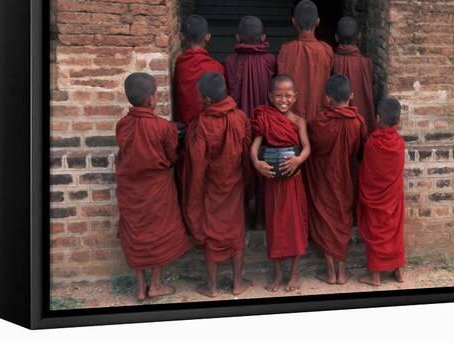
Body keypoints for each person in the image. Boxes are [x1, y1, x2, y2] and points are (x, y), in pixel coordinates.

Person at [115, 73, 191, 301]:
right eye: (156, 93)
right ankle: (156, 285)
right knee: (159, 233)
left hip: (130, 188)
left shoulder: (123, 125)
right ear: (151, 99)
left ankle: (140, 288)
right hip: (157, 188)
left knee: (136, 234)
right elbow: (171, 156)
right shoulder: (163, 127)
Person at [182, 72, 252, 297]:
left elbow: (197, 162)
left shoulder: (202, 123)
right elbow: (246, 153)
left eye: (199, 97)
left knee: (213, 232)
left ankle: (211, 287)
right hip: (235, 182)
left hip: (211, 185)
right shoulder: (240, 117)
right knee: (236, 231)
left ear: (208, 100)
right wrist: (248, 181)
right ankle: (237, 284)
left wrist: (194, 189)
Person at [304, 74, 367, 285]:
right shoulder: (358, 122)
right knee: (342, 221)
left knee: (325, 220)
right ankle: (343, 272)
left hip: (323, 178)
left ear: (327, 99)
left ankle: (331, 273)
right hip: (346, 178)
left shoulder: (318, 122)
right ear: (351, 95)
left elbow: (309, 149)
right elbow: (360, 152)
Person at [251, 75, 311, 292]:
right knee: (275, 228)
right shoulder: (266, 118)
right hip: (273, 183)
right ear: (270, 96)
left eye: (287, 95)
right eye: (278, 95)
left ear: (295, 97)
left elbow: (306, 148)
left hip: (293, 181)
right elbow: (254, 145)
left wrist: (298, 160)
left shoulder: (298, 121)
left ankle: (294, 275)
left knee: (294, 227)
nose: (283, 100)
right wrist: (256, 163)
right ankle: (277, 274)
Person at [225, 15, 277, 229]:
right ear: (264, 37)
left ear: (237, 37)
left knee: (242, 172)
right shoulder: (271, 60)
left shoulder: (229, 62)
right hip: (267, 125)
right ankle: (263, 221)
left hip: (240, 126)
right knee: (266, 174)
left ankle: (244, 221)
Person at [358, 97, 406, 286]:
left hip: (375, 198)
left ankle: (375, 276)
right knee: (395, 232)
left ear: (377, 118)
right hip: (393, 198)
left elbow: (367, 172)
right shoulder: (400, 144)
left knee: (375, 231)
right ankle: (399, 272)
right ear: (398, 121)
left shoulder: (372, 143)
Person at [277, 0, 334, 121]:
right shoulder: (326, 50)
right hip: (319, 120)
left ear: (293, 22)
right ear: (318, 22)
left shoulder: (285, 50)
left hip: (290, 120)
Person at [173, 14, 226, 126]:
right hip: (210, 126)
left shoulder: (180, 64)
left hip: (185, 127)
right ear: (208, 37)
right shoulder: (216, 67)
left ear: (181, 36)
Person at [332, 16, 376, 133]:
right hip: (361, 122)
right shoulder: (366, 63)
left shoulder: (331, 60)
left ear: (336, 38)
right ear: (359, 36)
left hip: (335, 123)